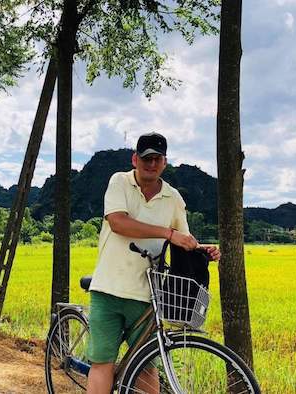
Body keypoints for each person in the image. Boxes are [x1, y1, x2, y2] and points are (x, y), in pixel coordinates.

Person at [85, 132, 221, 394]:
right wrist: (168, 233)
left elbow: (185, 239)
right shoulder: (119, 182)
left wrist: (204, 250)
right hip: (108, 289)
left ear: (164, 163)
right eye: (146, 158)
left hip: (148, 296)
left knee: (147, 367)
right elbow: (118, 222)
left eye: (157, 159)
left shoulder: (173, 199)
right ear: (135, 159)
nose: (151, 164)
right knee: (102, 363)